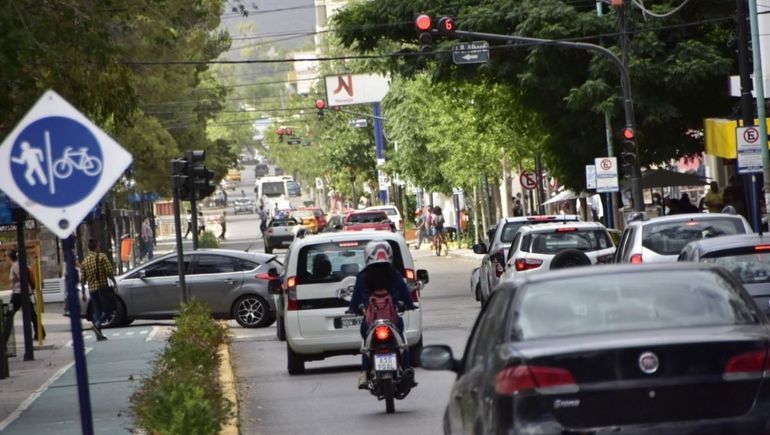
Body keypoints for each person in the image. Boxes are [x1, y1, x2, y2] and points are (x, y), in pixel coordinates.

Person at [348, 241, 416, 389]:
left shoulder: (363, 276)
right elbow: (405, 294)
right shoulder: (394, 274)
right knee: (402, 341)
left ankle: (365, 373)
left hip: (370, 322)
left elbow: (355, 299)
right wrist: (409, 305)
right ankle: (407, 368)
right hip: (392, 319)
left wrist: (353, 308)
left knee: (366, 343)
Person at [81, 239, 117, 341]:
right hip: (103, 288)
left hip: (92, 290)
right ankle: (97, 325)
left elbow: (83, 278)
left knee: (97, 311)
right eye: (99, 246)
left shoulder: (85, 261)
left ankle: (99, 334)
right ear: (97, 247)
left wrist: (83, 293)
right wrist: (114, 281)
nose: (100, 248)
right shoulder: (102, 257)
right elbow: (109, 271)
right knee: (109, 309)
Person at [7, 249, 45, 340]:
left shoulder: (16, 266)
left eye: (6, 256)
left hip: (19, 294)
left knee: (8, 314)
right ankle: (40, 333)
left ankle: (5, 337)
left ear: (10, 257)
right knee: (32, 314)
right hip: (22, 293)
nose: (6, 259)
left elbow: (22, 279)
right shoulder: (18, 265)